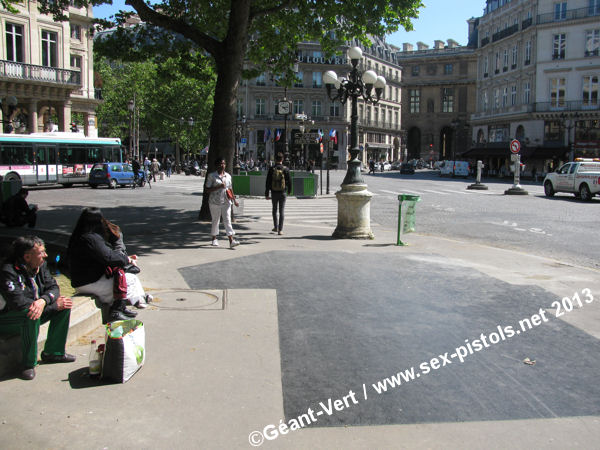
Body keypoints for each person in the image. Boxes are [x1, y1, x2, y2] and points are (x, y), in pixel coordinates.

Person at [0, 236, 75, 380]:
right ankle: (28, 364)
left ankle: (54, 352)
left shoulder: (42, 266)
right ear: (27, 257)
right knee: (30, 314)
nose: (46, 255)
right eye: (41, 252)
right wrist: (48, 306)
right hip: (7, 318)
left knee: (64, 305)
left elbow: (53, 287)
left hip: (33, 309)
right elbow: (18, 303)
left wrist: (43, 301)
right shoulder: (7, 271)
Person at [67, 208, 141, 322]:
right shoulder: (90, 238)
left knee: (122, 275)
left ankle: (121, 306)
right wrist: (126, 259)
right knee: (129, 279)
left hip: (84, 280)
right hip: (89, 282)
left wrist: (124, 259)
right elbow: (108, 257)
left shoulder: (80, 235)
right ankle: (116, 310)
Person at [205, 157, 240, 248]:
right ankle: (214, 238)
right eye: (220, 163)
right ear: (216, 165)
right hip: (214, 202)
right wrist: (219, 186)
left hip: (226, 201)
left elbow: (230, 188)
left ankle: (231, 240)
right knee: (216, 220)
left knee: (227, 220)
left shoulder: (228, 176)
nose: (222, 165)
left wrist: (234, 200)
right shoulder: (212, 176)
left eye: (224, 163)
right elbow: (207, 189)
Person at [265, 152, 292, 235]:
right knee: (282, 211)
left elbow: (268, 182)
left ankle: (275, 227)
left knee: (274, 210)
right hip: (283, 192)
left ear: (275, 159)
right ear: (282, 159)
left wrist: (267, 193)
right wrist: (289, 191)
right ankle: (280, 230)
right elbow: (289, 181)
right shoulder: (285, 169)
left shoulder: (272, 169)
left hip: (274, 192)